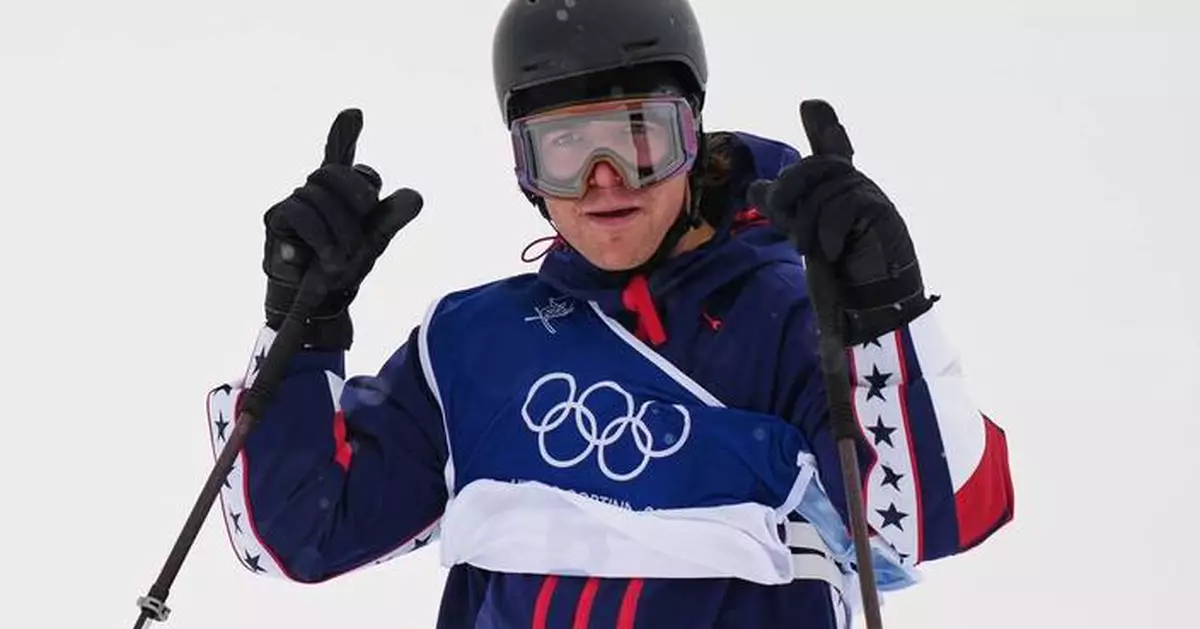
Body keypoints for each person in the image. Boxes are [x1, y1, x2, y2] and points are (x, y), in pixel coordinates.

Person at [204, 1, 1015, 627]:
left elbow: (936, 520)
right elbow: (298, 532)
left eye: (639, 137)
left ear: (692, 136)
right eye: (565, 148)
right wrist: (300, 335)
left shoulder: (791, 319)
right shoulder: (474, 344)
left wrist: (885, 314)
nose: (604, 178)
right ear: (526, 169)